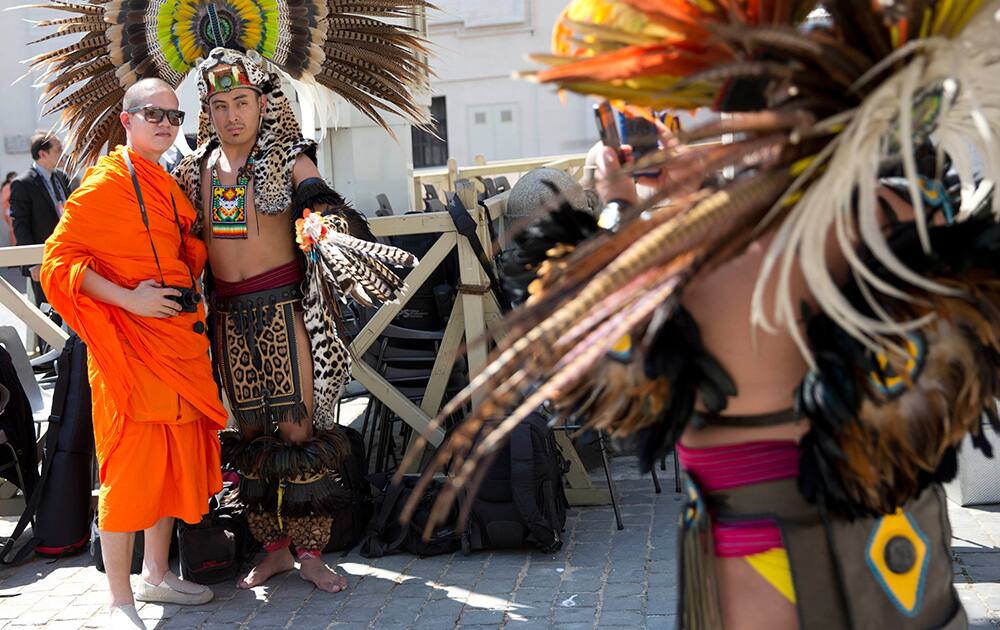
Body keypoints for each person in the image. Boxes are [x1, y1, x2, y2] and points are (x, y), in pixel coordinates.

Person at [410, 2, 999, 629]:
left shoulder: (717, 265)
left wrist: (618, 210)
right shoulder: (909, 232)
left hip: (769, 587)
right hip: (906, 577)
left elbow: (590, 366)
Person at [24, 0, 430, 597]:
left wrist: (325, 224)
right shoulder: (196, 169)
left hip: (286, 310)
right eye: (219, 105)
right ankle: (272, 551)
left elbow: (318, 198)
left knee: (299, 432)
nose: (232, 114)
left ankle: (311, 552)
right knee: (250, 436)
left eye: (241, 102)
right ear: (207, 113)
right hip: (227, 320)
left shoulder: (288, 156)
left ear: (263, 105)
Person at [40, 78, 227, 630]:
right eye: (153, 114)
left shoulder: (167, 183)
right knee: (129, 471)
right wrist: (129, 297)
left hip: (176, 341)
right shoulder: (103, 184)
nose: (166, 124)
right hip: (129, 348)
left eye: (175, 115)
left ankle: (155, 574)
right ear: (127, 120)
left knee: (169, 465)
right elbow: (57, 264)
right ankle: (120, 597)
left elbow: (183, 249)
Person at [11, 133, 73, 304]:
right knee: (47, 313)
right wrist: (33, 263)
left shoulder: (62, 177)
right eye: (58, 149)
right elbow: (20, 225)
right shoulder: (23, 183)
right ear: (42, 154)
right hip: (43, 260)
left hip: (67, 256)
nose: (62, 153)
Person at [1, 171, 18, 246]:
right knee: (12, 229)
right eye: (13, 177)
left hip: (14, 209)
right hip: (10, 210)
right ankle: (14, 245)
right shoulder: (8, 186)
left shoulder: (14, 185)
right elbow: (5, 200)